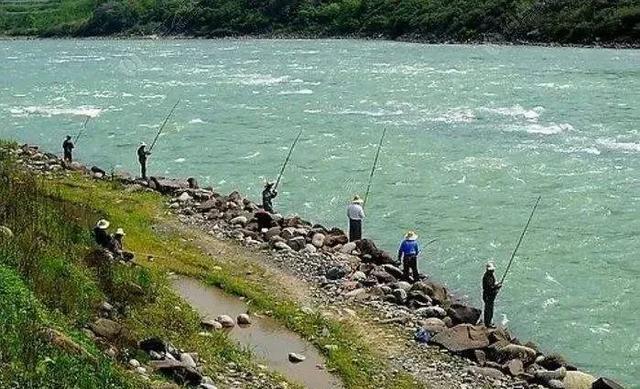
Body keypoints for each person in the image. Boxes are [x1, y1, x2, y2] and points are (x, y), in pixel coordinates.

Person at [482, 261, 502, 328]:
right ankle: (488, 324)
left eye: (493, 270)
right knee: (488, 310)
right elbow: (490, 287)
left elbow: (493, 284)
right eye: (491, 270)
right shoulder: (486, 277)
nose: (492, 271)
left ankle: (489, 322)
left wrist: (497, 284)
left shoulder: (491, 275)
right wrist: (497, 287)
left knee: (490, 309)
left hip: (490, 295)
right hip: (488, 296)